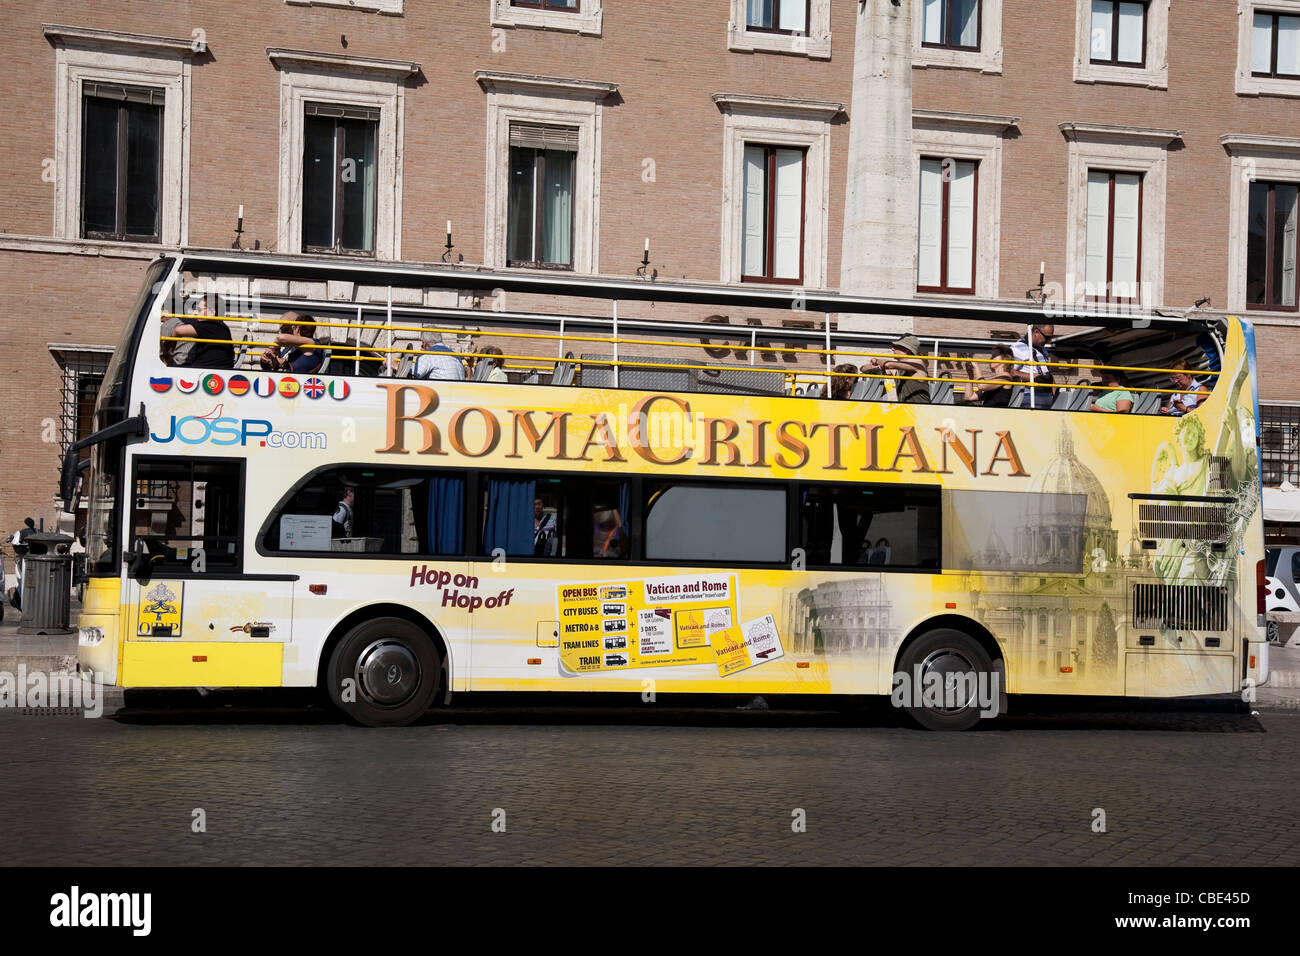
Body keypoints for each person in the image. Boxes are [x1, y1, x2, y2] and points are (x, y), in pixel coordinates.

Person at [168, 296, 235, 369]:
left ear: (212, 312)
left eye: (199, 310)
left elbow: (177, 330)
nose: (195, 312)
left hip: (208, 370)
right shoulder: (219, 326)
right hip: (210, 369)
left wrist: (170, 351)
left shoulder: (212, 325)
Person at [865, 334, 930, 404]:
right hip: (905, 410)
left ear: (907, 350)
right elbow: (864, 369)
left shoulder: (918, 363)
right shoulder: (898, 369)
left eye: (896, 347)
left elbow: (888, 365)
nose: (892, 349)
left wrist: (876, 360)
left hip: (921, 410)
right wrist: (872, 366)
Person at [1011, 324, 1055, 408]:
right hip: (1028, 397)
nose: (1048, 341)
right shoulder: (1018, 348)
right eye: (1047, 337)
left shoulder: (1043, 349)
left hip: (1045, 397)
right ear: (1036, 332)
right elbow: (1009, 371)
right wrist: (1032, 376)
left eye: (1050, 338)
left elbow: (1047, 373)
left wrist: (1054, 393)